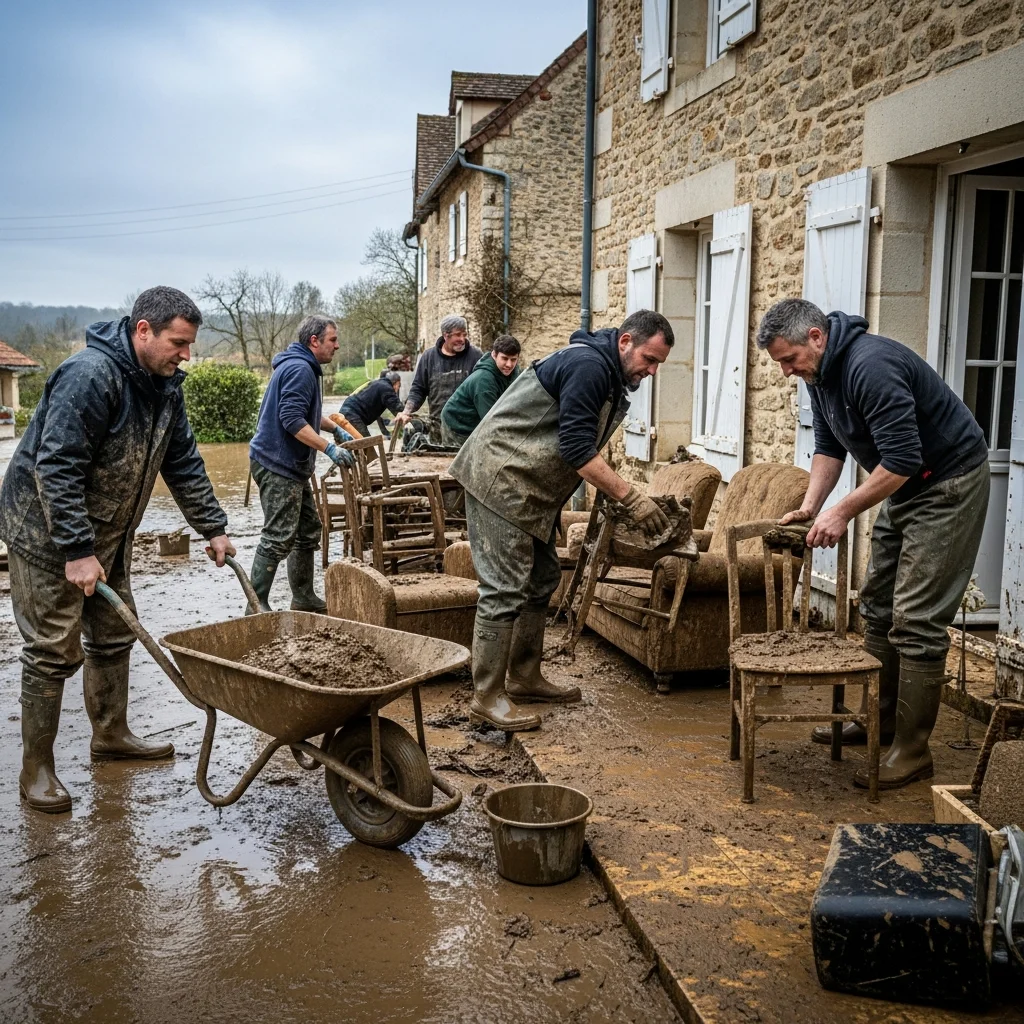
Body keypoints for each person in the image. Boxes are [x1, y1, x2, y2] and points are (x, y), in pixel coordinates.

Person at [0, 286, 238, 813]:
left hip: (108, 532)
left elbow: (183, 463)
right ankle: (35, 770)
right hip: (45, 536)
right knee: (52, 647)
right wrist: (77, 550)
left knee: (111, 635)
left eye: (190, 345)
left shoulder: (165, 387)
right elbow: (55, 466)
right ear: (143, 330)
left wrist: (213, 528)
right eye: (178, 343)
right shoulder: (89, 377)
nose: (186, 355)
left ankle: (111, 735)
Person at [757, 298, 990, 789]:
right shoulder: (820, 377)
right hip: (908, 486)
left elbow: (903, 458)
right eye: (779, 363)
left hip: (948, 483)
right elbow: (829, 447)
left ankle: (912, 751)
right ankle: (877, 724)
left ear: (816, 338)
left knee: (918, 618)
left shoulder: (871, 366)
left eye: (788, 360)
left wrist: (842, 512)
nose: (785, 372)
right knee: (878, 605)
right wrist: (814, 505)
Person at [451, 310, 675, 731]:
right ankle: (487, 697)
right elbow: (575, 448)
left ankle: (523, 676)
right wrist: (631, 498)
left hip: (527, 486)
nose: (652, 370)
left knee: (542, 577)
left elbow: (578, 440)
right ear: (625, 342)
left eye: (658, 363)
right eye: (650, 359)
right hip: (501, 478)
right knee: (502, 588)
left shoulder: (605, 371)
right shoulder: (589, 366)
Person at [248, 315, 355, 613]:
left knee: (308, 530)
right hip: (277, 465)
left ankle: (304, 598)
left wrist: (335, 428)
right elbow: (292, 420)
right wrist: (329, 449)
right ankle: (256, 605)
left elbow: (304, 413)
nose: (337, 345)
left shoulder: (302, 366)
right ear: (314, 341)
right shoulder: (300, 370)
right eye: (333, 340)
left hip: (287, 465)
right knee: (278, 535)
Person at [393, 315, 482, 443]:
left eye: (465, 334)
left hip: (467, 429)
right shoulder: (429, 357)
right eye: (458, 335)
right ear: (446, 335)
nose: (462, 339)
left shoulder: (476, 356)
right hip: (437, 427)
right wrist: (406, 411)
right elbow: (418, 389)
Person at [440, 334, 521, 447]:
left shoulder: (515, 373)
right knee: (465, 462)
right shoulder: (484, 381)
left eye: (513, 360)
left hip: (478, 421)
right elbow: (491, 421)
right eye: (504, 358)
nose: (509, 364)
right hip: (458, 425)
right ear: (494, 355)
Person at [340, 370, 403, 438]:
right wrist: (411, 418)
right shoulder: (386, 388)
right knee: (367, 444)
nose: (398, 388)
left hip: (346, 412)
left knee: (357, 443)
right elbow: (399, 409)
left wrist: (386, 433)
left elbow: (380, 417)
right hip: (352, 413)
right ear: (396, 382)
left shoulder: (377, 384)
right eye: (399, 385)